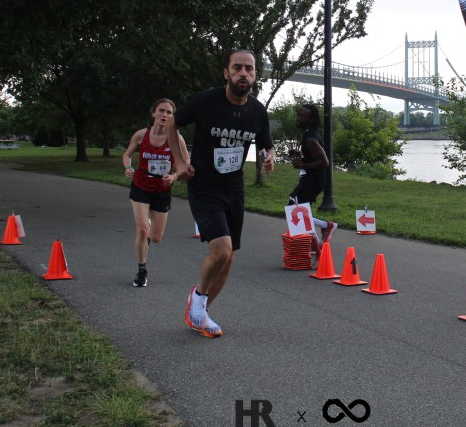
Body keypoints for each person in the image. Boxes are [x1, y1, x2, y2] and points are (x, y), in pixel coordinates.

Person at [165, 49, 275, 338]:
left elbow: (267, 144)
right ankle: (198, 297)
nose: (243, 73)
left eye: (249, 69)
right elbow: (173, 124)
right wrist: (180, 162)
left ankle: (200, 312)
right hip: (204, 185)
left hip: (234, 189)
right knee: (222, 250)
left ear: (255, 75)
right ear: (226, 72)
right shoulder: (206, 101)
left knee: (229, 258)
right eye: (237, 68)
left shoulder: (257, 111)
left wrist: (269, 157)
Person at [122, 98, 189, 288]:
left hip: (162, 190)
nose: (164, 115)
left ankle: (146, 234)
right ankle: (141, 271)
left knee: (156, 237)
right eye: (161, 110)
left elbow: (186, 163)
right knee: (142, 229)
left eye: (169, 112)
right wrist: (128, 167)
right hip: (141, 185)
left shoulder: (177, 138)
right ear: (153, 113)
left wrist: (174, 176)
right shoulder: (141, 135)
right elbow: (127, 154)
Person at [288, 104, 337, 267]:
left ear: (311, 119)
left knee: (294, 210)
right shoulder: (308, 135)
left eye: (302, 115)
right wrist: (300, 155)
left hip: (314, 180)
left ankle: (326, 228)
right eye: (299, 114)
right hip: (310, 179)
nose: (298, 117)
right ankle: (313, 244)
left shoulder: (311, 138)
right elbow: (312, 157)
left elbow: (325, 162)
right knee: (297, 210)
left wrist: (302, 165)